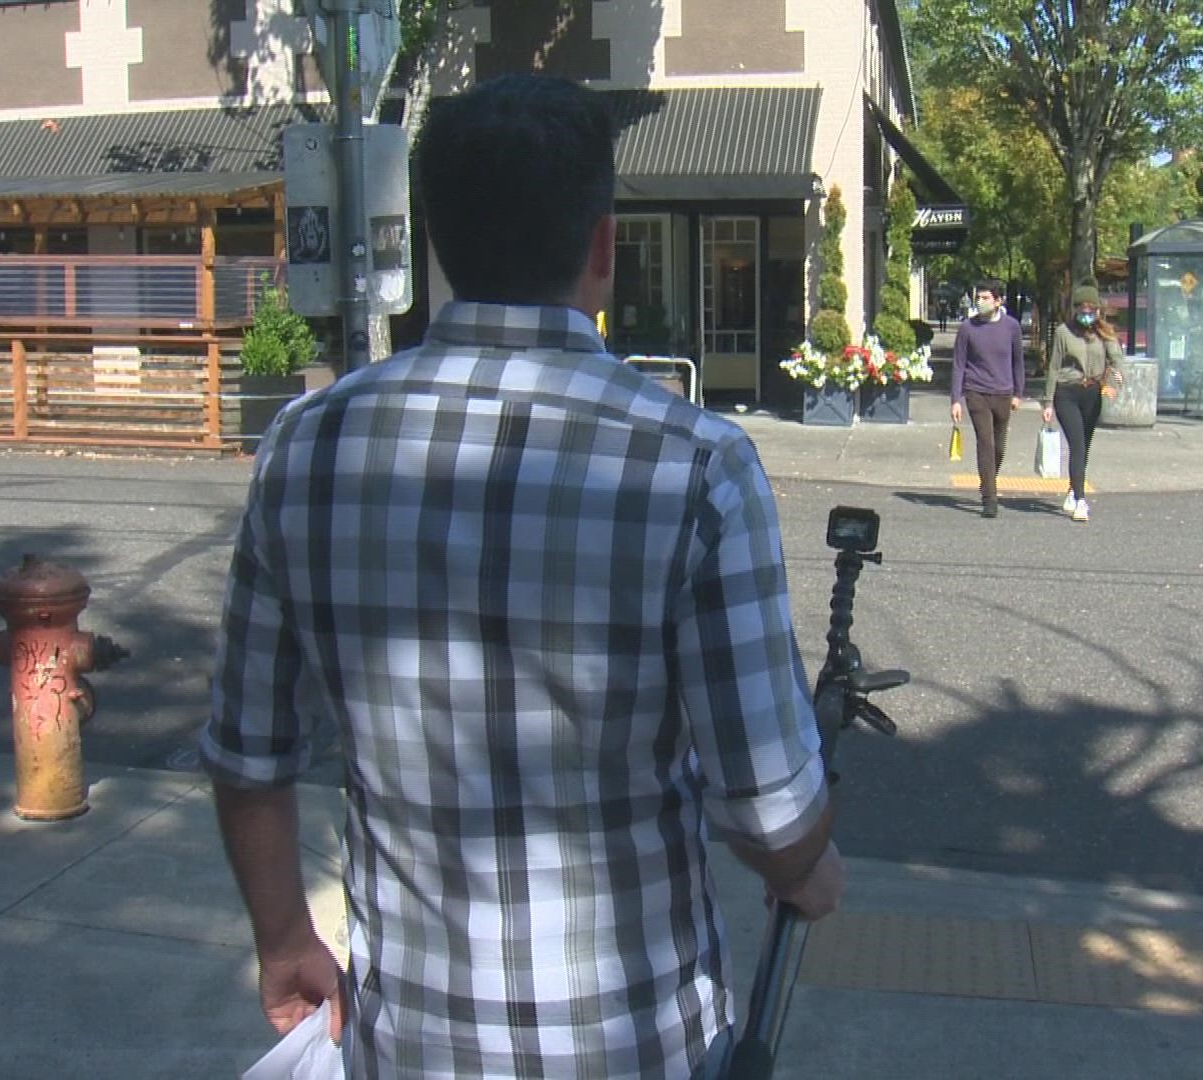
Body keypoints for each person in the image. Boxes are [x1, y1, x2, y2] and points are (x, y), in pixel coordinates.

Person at [202, 74, 842, 1080]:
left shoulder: (304, 445)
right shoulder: (693, 462)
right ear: (602, 245)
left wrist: (284, 937)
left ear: (438, 239)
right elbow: (767, 806)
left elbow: (247, 754)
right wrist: (811, 867)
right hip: (631, 1039)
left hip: (407, 1040)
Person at [1041, 284, 1123, 522]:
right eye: (1082, 309)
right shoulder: (1063, 333)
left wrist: (1115, 379)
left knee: (1084, 446)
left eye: (1092, 309)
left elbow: (1117, 359)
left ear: (1098, 310)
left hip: (1093, 392)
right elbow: (1054, 368)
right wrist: (1047, 402)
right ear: (1075, 309)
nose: (1087, 313)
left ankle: (1071, 489)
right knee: (1076, 444)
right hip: (1067, 392)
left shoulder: (1103, 333)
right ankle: (1080, 499)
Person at [948, 279, 1025, 517]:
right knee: (986, 442)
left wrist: (1018, 393)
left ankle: (987, 479)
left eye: (985, 298)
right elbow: (959, 364)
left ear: (998, 301)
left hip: (1003, 393)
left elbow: (1017, 362)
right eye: (978, 298)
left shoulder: (1011, 327)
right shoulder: (967, 328)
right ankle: (989, 498)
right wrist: (956, 399)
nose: (980, 302)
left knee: (999, 448)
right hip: (976, 392)